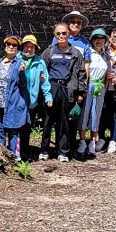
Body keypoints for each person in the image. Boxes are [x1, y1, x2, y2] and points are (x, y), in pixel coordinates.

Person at [41, 23, 86, 162]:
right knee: (48, 121)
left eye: (64, 33)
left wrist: (80, 92)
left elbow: (81, 73)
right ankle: (44, 150)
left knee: (64, 122)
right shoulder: (49, 51)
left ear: (69, 34)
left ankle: (63, 152)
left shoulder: (75, 53)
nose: (61, 36)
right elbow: (42, 68)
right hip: (51, 88)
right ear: (55, 35)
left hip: (67, 89)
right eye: (58, 34)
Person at [2, 35, 48, 160]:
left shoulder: (40, 62)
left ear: (35, 48)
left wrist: (48, 96)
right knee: (14, 126)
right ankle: (11, 151)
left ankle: (24, 151)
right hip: (17, 100)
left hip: (31, 102)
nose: (29, 49)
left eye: (32, 47)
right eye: (26, 46)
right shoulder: (16, 59)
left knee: (27, 127)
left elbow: (45, 81)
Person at [77, 29, 110, 159]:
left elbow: (108, 74)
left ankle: (92, 142)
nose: (99, 41)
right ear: (92, 40)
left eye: (102, 39)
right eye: (96, 38)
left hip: (100, 87)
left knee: (96, 114)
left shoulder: (106, 55)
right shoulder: (88, 52)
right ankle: (82, 142)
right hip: (88, 85)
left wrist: (105, 89)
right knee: (85, 113)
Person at [0, 36, 22, 156]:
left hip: (12, 102)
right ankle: (1, 154)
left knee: (13, 129)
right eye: (9, 44)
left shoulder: (19, 64)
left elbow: (23, 84)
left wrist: (22, 73)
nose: (11, 47)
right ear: (5, 47)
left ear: (18, 49)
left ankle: (14, 155)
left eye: (15, 45)